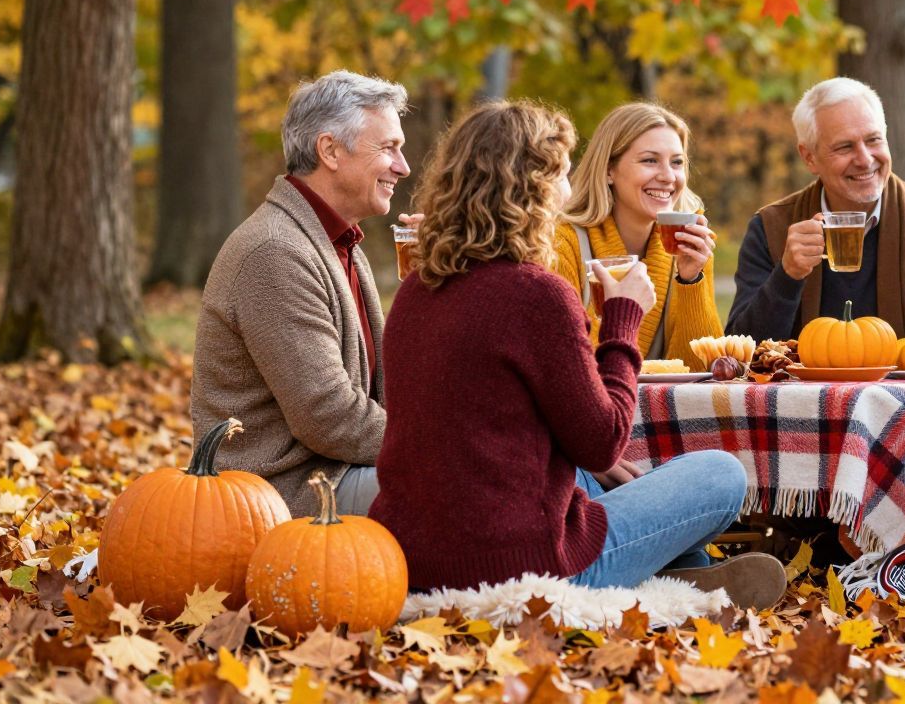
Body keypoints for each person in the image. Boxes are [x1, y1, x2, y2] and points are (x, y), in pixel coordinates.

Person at [369, 100, 786, 608]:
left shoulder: (415, 290)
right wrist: (622, 319)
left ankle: (691, 577)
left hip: (414, 561)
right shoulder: (537, 293)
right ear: (535, 188)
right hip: (523, 568)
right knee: (721, 474)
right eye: (563, 176)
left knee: (593, 482)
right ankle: (678, 580)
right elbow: (603, 442)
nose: (568, 192)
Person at [191, 70, 411, 517]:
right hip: (284, 497)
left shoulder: (338, 244)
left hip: (336, 472)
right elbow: (330, 419)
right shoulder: (275, 251)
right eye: (388, 148)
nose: (403, 167)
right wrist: (442, 446)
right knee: (475, 489)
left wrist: (442, 282)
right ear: (329, 150)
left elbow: (387, 392)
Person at [727, 78, 905, 355]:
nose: (865, 159)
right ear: (809, 157)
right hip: (801, 387)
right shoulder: (769, 227)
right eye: (845, 147)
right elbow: (742, 355)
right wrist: (787, 276)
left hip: (899, 387)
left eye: (873, 140)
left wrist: (865, 370)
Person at [552, 103, 721, 372]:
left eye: (677, 162)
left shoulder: (690, 244)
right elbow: (567, 367)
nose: (668, 176)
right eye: (650, 160)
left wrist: (691, 280)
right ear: (609, 169)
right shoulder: (563, 243)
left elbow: (702, 371)